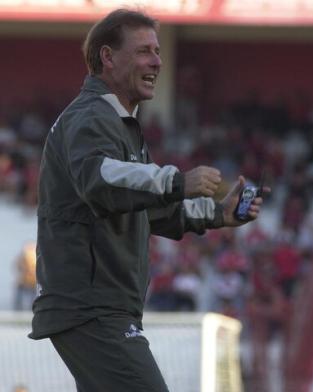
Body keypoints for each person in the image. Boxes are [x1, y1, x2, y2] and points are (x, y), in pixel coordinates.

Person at [29, 8, 266, 392]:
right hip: (92, 307)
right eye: (144, 51)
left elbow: (147, 209)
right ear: (107, 57)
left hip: (97, 307)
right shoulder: (92, 116)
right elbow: (100, 178)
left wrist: (216, 214)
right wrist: (175, 179)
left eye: (157, 51)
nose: (157, 61)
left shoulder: (116, 123)